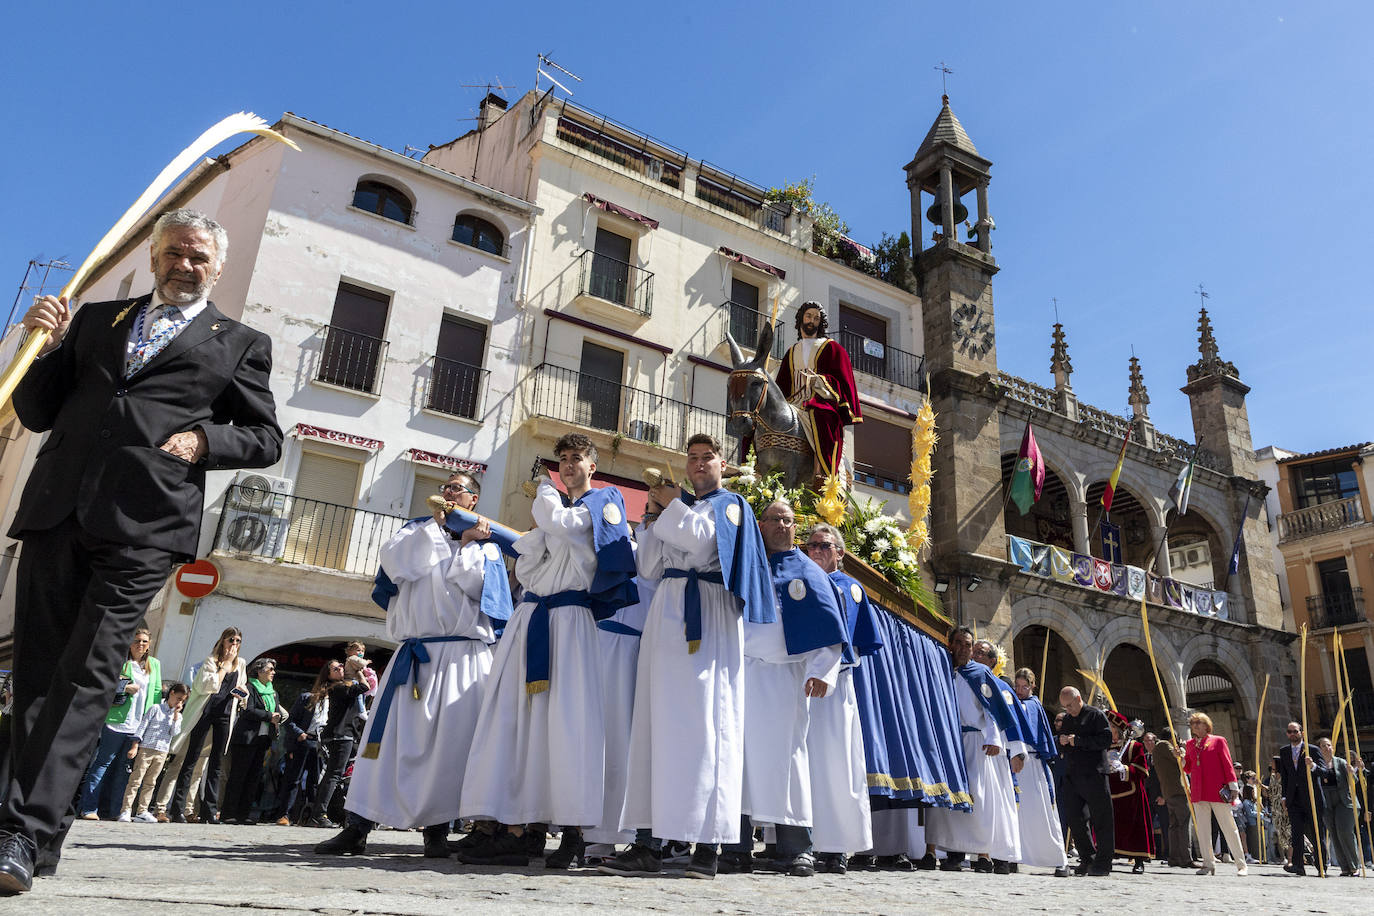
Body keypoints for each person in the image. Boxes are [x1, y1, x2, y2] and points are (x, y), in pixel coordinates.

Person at [0, 208, 282, 893]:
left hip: (147, 523)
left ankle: (21, 833)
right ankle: (33, 840)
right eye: (175, 253)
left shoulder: (238, 341)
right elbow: (39, 410)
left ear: (217, 268)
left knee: (89, 673)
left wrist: (204, 442)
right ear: (155, 257)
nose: (184, 265)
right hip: (57, 507)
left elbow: (266, 438)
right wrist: (38, 344)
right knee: (36, 673)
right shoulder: (98, 319)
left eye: (198, 258)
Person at [459, 434, 636, 868]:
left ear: (593, 466)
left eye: (577, 458)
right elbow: (530, 560)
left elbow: (558, 532)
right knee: (519, 722)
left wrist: (543, 491)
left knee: (568, 721)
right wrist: (548, 520)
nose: (570, 465)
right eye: (563, 460)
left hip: (571, 620)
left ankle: (574, 833)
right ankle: (519, 827)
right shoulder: (561, 512)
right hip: (532, 616)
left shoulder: (604, 504)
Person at [316, 471, 509, 859]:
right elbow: (397, 565)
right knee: (383, 742)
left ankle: (437, 832)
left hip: (462, 657)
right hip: (415, 654)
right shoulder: (415, 532)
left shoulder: (486, 545)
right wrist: (438, 531)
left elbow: (478, 590)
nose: (449, 492)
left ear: (473, 500)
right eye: (446, 487)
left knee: (451, 748)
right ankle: (357, 827)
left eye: (459, 488)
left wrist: (468, 543)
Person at [607, 434, 775, 879]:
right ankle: (648, 841)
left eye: (708, 458)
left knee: (706, 724)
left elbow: (702, 546)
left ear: (723, 464)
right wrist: (653, 514)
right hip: (668, 610)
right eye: (693, 459)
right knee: (655, 722)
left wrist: (672, 502)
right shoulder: (678, 510)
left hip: (709, 613)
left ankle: (707, 845)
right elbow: (647, 566)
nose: (699, 465)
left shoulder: (731, 505)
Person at [721, 501, 847, 878]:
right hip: (741, 673)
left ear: (796, 528)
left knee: (788, 761)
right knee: (737, 761)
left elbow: (829, 625)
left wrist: (823, 670)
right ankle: (733, 847)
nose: (781, 525)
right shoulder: (746, 562)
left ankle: (797, 849)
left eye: (788, 520)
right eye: (774, 519)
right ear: (760, 525)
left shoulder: (809, 571)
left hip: (784, 678)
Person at [800, 523, 882, 875]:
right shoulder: (800, 581)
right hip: (799, 682)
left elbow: (843, 635)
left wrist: (824, 671)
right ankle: (800, 840)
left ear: (840, 553)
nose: (815, 550)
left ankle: (836, 847)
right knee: (803, 763)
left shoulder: (848, 588)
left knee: (834, 764)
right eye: (811, 545)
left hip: (832, 686)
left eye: (823, 545)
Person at [924, 626, 1024, 875]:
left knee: (977, 795)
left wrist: (993, 738)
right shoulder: (940, 669)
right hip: (946, 741)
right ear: (950, 645)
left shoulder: (979, 673)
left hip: (974, 741)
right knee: (944, 795)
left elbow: (991, 709)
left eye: (968, 645)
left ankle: (982, 854)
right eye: (959, 643)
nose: (963, 648)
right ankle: (939, 852)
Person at [163, 627, 249, 824]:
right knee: (191, 760)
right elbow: (205, 686)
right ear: (223, 641)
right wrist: (225, 667)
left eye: (237, 641)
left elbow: (243, 686)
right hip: (205, 713)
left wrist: (242, 693)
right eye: (231, 640)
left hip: (225, 714)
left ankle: (209, 811)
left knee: (217, 764)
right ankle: (178, 809)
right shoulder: (211, 661)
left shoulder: (241, 664)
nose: (234, 644)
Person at [78, 626, 162, 819]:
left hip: (139, 725)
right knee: (103, 764)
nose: (140, 644)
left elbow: (156, 694)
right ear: (129, 643)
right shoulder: (122, 663)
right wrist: (124, 688)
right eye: (137, 640)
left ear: (149, 645)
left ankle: (116, 810)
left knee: (124, 770)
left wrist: (152, 723)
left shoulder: (154, 665)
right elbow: (105, 685)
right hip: (117, 721)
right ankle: (89, 808)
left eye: (144, 641)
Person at [775, 302, 861, 482]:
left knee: (822, 414)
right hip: (793, 403)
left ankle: (823, 471)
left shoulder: (831, 348)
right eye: (808, 316)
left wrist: (819, 380)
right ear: (801, 319)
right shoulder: (791, 352)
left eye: (816, 318)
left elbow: (842, 382)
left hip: (821, 400)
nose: (811, 321)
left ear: (820, 323)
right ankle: (756, 466)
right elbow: (781, 386)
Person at [1010, 669, 1069, 877]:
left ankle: (1059, 858)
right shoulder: (1015, 702)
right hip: (1016, 766)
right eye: (1016, 686)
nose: (1019, 690)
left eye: (1024, 686)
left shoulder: (1033, 706)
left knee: (1043, 813)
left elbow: (1027, 729)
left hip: (1033, 764)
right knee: (1018, 816)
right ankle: (1015, 857)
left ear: (1032, 686)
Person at [1178, 712, 1246, 876]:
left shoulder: (1218, 740)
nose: (1195, 726)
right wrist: (1180, 758)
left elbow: (1227, 763)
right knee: (1202, 830)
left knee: (1229, 827)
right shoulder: (1190, 744)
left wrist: (1233, 786)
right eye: (1193, 723)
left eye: (1199, 723)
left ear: (1206, 725)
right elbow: (1188, 768)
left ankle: (1241, 864)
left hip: (1216, 790)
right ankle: (1208, 863)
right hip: (1198, 791)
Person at [1057, 686, 1115, 876]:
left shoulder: (1095, 715)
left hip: (1094, 774)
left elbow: (1106, 740)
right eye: (1065, 707)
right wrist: (1062, 741)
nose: (1068, 710)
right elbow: (1064, 743)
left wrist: (1079, 741)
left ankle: (1104, 863)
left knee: (1101, 819)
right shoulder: (1067, 719)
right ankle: (1087, 857)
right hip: (1073, 775)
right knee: (1075, 818)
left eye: (1070, 705)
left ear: (1079, 699)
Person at [222, 658, 286, 825]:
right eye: (270, 669)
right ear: (259, 671)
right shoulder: (248, 688)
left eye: (274, 669)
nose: (273, 672)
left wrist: (278, 717)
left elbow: (278, 711)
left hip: (263, 739)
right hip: (246, 738)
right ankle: (229, 813)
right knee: (238, 777)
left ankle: (244, 814)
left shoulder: (273, 692)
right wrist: (268, 716)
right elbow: (248, 710)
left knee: (253, 778)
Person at [306, 659, 369, 827]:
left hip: (344, 735)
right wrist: (358, 671)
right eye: (336, 668)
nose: (341, 668)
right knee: (334, 775)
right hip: (341, 735)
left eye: (341, 666)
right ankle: (319, 814)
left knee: (336, 775)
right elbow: (365, 687)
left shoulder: (343, 686)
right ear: (329, 675)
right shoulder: (338, 688)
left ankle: (326, 813)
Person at [270, 664, 331, 826]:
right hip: (304, 741)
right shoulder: (307, 698)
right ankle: (285, 814)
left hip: (320, 744)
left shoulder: (334, 703)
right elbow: (290, 721)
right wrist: (300, 734)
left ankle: (310, 816)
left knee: (315, 781)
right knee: (293, 779)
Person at [119, 682, 188, 823]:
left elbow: (174, 732)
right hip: (146, 748)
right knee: (135, 780)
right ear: (172, 693)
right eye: (179, 698)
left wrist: (175, 715)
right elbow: (142, 726)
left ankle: (142, 810)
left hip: (162, 751)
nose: (179, 702)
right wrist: (135, 746)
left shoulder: (178, 716)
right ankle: (126, 810)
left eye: (183, 700)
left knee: (150, 782)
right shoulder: (156, 708)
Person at [1105, 712, 1153, 873]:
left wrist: (1124, 768)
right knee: (1110, 827)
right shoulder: (1104, 747)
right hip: (1110, 793)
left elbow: (1142, 771)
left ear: (1118, 729)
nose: (1108, 730)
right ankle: (1107, 856)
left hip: (1131, 794)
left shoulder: (1135, 746)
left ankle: (1139, 860)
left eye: (1111, 727)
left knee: (1135, 827)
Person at [1277, 721, 1326, 876]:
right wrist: (1284, 796)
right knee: (1296, 834)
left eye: (1295, 731)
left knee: (1317, 832)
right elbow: (1284, 776)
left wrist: (1313, 766)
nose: (1292, 734)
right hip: (1293, 799)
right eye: (1289, 731)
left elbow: (1324, 772)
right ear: (1287, 734)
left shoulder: (1312, 750)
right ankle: (1298, 865)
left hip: (1312, 798)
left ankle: (1321, 865)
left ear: (1302, 733)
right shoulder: (1284, 751)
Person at [1315, 737, 1362, 877]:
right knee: (1334, 835)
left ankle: (1354, 865)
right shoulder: (1317, 765)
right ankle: (1345, 867)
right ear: (1319, 749)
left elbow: (1354, 781)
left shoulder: (1340, 762)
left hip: (1344, 802)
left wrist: (1351, 772)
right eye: (1323, 746)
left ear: (1333, 747)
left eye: (1329, 745)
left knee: (1344, 831)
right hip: (1326, 803)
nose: (1326, 748)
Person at [1150, 729, 1194, 868]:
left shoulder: (1157, 749)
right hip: (1178, 790)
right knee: (1184, 824)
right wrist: (1183, 749)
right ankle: (1186, 858)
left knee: (1174, 826)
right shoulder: (1164, 745)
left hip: (1169, 791)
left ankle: (1174, 857)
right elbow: (1180, 760)